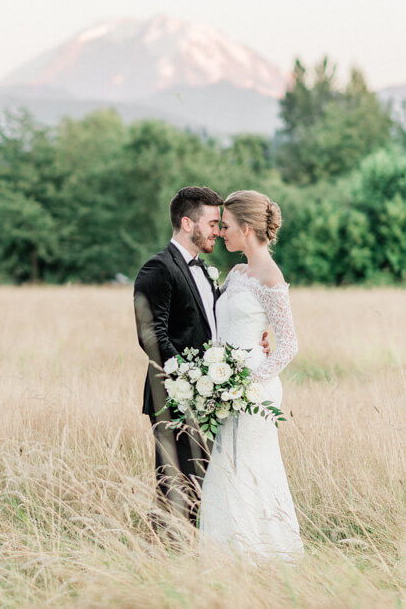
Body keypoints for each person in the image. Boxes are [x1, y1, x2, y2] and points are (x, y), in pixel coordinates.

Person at [134, 186, 270, 523]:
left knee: (202, 489)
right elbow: (151, 334)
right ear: (186, 223)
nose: (218, 231)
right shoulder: (158, 269)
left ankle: (189, 560)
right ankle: (161, 558)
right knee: (176, 490)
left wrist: (259, 337)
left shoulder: (203, 270)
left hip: (207, 398)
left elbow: (215, 323)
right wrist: (189, 380)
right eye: (212, 223)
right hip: (174, 398)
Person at [200, 190, 304, 560]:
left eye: (225, 226)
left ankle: (256, 556)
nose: (220, 232)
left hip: (253, 393)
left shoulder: (270, 277)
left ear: (246, 229)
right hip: (228, 385)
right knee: (227, 467)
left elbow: (289, 344)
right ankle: (227, 555)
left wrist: (247, 382)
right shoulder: (238, 271)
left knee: (247, 468)